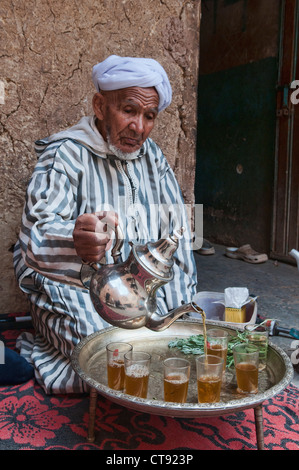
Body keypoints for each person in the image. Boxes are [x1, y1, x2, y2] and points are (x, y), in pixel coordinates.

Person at [13, 55, 197, 394]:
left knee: (183, 348)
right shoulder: (66, 155)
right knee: (109, 354)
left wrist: (181, 305)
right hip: (77, 286)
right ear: (100, 106)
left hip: (140, 289)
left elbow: (179, 234)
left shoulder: (153, 157)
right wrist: (75, 241)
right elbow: (33, 241)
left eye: (149, 116)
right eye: (129, 110)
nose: (139, 127)